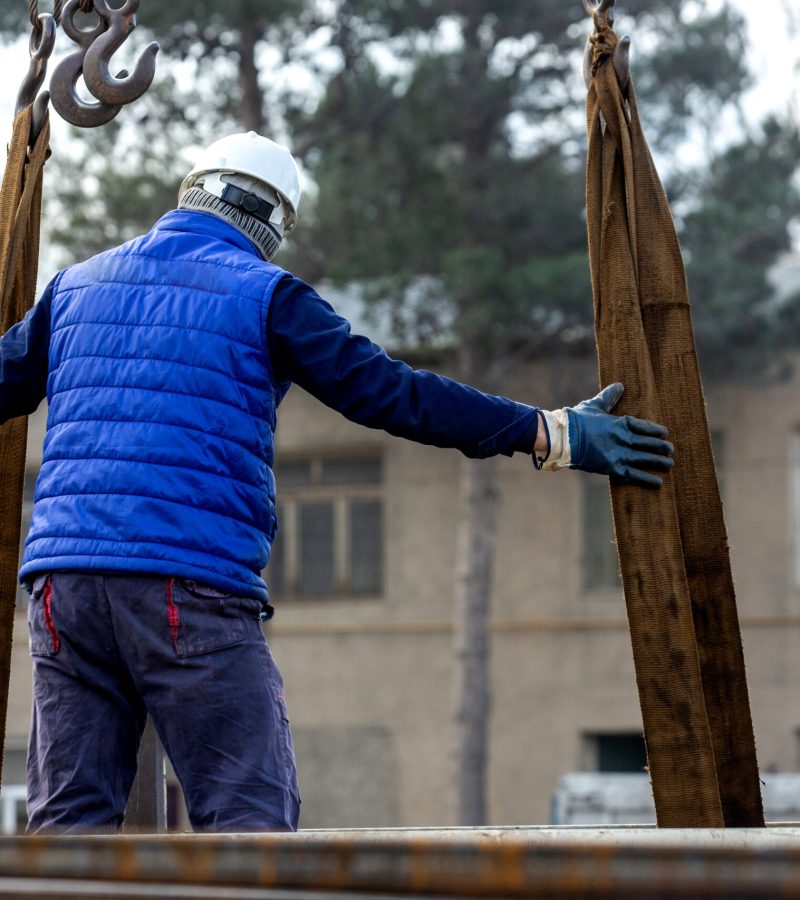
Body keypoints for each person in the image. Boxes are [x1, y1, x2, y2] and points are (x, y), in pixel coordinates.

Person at [0, 132, 673, 833]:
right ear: (272, 225)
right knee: (249, 824)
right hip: (185, 585)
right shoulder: (265, 293)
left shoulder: (73, 286)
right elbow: (391, 392)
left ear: (190, 191)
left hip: (62, 591)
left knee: (68, 833)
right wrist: (550, 432)